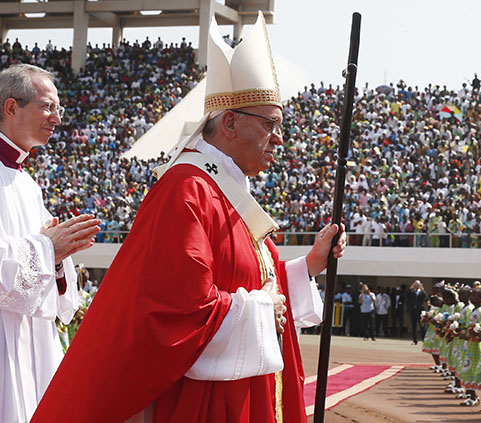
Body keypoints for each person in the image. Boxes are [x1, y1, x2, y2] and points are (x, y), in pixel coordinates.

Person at [33, 14, 346, 423]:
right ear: (230, 122)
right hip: (204, 402)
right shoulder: (187, 188)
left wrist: (309, 265)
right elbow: (177, 309)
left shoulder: (230, 191)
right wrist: (258, 310)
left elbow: (251, 282)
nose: (280, 138)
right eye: (271, 124)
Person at [0, 64, 100, 422]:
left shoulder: (28, 183)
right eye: (47, 107)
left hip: (32, 337)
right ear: (11, 107)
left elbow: (44, 257)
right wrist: (47, 248)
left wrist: (59, 256)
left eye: (58, 109)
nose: (57, 119)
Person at [408, 280, 426, 344]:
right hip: (413, 311)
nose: (416, 286)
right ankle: (414, 340)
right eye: (415, 285)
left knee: (422, 325)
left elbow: (425, 297)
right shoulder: (412, 292)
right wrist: (411, 287)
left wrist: (422, 288)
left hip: (420, 311)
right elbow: (407, 295)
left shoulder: (421, 292)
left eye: (417, 285)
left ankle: (424, 339)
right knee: (413, 326)